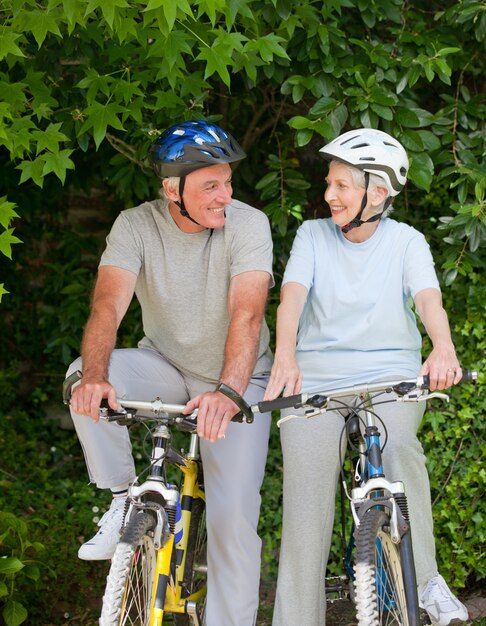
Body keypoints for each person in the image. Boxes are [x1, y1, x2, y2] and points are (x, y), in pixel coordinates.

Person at [66, 120, 274, 626]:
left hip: (239, 380)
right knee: (81, 378)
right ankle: (120, 499)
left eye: (227, 182)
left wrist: (227, 393)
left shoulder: (249, 224)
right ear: (171, 189)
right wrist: (97, 376)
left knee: (233, 518)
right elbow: (107, 306)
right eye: (211, 186)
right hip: (166, 365)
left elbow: (247, 314)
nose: (225, 195)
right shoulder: (135, 225)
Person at [264, 128, 469, 626]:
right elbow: (291, 296)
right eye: (329, 184)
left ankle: (425, 583)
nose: (329, 195)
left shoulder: (406, 242)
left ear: (377, 193)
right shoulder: (312, 235)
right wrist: (285, 357)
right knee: (306, 508)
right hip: (315, 384)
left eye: (341, 185)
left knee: (399, 449)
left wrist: (443, 348)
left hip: (389, 379)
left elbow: (428, 300)